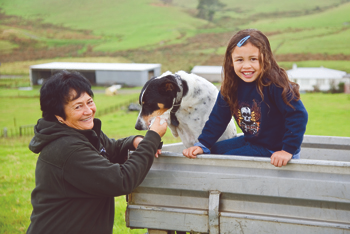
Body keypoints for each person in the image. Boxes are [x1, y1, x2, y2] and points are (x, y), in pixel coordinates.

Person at [26, 70, 167, 234]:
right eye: (78, 106)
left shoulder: (83, 133)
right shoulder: (67, 149)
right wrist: (152, 138)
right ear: (59, 116)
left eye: (89, 102)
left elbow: (110, 149)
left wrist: (134, 141)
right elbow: (121, 180)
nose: (88, 111)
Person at [183, 29, 308, 167]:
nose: (246, 66)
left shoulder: (275, 84)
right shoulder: (231, 86)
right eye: (240, 60)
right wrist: (203, 144)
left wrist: (287, 150)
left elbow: (298, 115)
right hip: (253, 142)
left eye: (253, 59)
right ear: (231, 62)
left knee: (225, 161)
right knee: (213, 150)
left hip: (275, 148)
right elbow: (218, 118)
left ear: (265, 58)